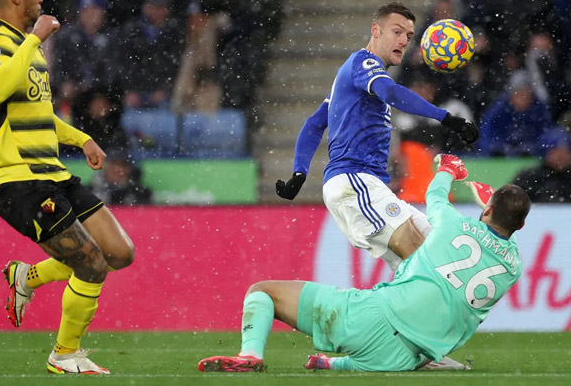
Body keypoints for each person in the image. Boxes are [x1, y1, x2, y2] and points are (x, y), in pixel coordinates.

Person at [198, 154, 530, 372]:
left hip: (373, 319)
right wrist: (500, 213)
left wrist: (447, 168)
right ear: (520, 226)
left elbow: (435, 196)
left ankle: (250, 356)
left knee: (263, 292)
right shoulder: (513, 267)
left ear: (486, 210)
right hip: (409, 357)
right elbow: (503, 236)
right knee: (396, 349)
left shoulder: (454, 225)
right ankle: (335, 365)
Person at [0, 0, 135, 375]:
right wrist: (36, 38)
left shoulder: (27, 48)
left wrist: (82, 139)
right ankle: (65, 355)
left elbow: (39, 114)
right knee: (91, 265)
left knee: (119, 253)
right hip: (18, 181)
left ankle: (27, 277)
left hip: (53, 174)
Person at [276, 2, 479, 271]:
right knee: (425, 262)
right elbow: (393, 94)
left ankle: (402, 312)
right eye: (396, 32)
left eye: (408, 36)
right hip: (354, 181)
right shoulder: (363, 62)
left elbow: (315, 124)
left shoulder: (350, 79)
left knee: (436, 254)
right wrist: (446, 118)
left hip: (369, 186)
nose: (403, 41)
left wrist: (299, 174)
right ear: (375, 30)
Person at [512, 126, 571, 203]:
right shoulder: (529, 177)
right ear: (547, 152)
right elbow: (512, 204)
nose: (562, 156)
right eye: (557, 151)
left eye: (566, 152)